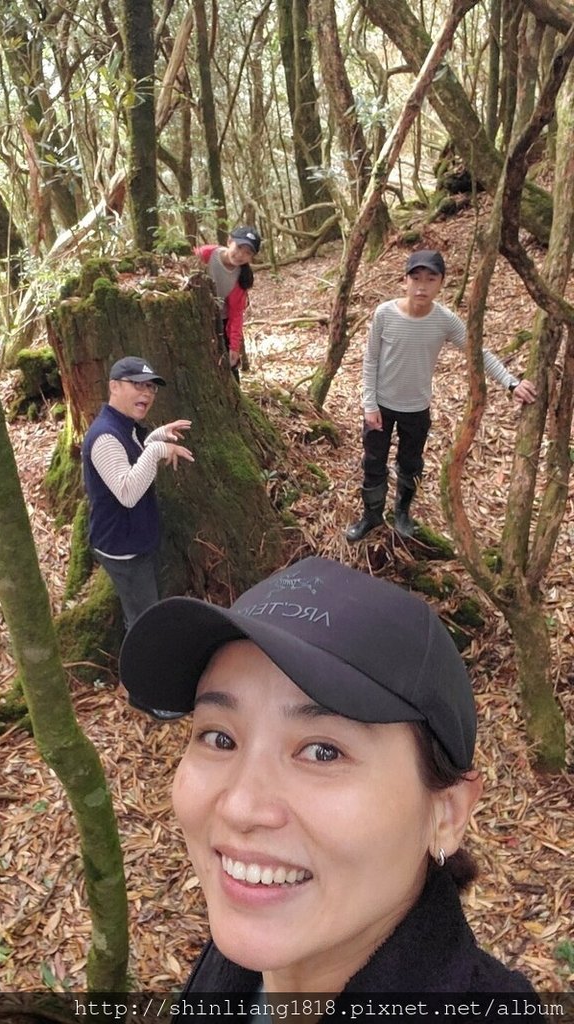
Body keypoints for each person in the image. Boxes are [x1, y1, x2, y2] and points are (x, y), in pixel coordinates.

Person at [119, 556, 540, 1000]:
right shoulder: (242, 972)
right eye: (220, 738)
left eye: (322, 752)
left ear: (447, 813)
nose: (240, 806)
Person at [346, 249, 537, 542]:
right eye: (416, 278)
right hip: (380, 407)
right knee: (373, 462)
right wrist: (369, 404)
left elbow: (477, 352)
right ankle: (371, 516)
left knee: (411, 464)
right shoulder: (384, 313)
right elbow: (370, 359)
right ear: (405, 281)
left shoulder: (445, 320)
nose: (422, 286)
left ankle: (402, 514)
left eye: (430, 279)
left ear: (441, 282)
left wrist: (511, 383)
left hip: (416, 408)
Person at [82, 355, 193, 720]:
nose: (146, 393)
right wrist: (160, 449)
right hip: (122, 549)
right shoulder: (104, 437)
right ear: (114, 387)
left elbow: (135, 455)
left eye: (150, 387)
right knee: (142, 621)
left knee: (142, 615)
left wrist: (157, 436)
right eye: (137, 385)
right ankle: (144, 693)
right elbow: (127, 491)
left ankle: (141, 682)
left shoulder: (125, 426)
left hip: (133, 543)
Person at [195, 226, 261, 378]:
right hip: (197, 316)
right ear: (229, 241)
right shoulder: (206, 254)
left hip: (221, 323)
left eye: (248, 253)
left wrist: (234, 346)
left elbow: (236, 314)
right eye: (238, 247)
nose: (240, 255)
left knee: (228, 369)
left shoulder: (241, 277)